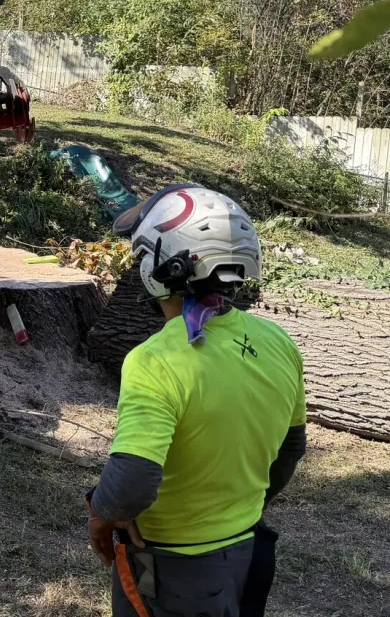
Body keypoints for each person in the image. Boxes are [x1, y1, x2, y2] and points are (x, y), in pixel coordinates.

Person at [86, 184, 307, 617]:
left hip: (174, 569)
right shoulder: (278, 342)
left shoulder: (155, 360)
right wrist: (237, 508)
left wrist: (101, 515)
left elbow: (132, 479)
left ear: (158, 264)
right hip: (247, 551)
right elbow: (290, 450)